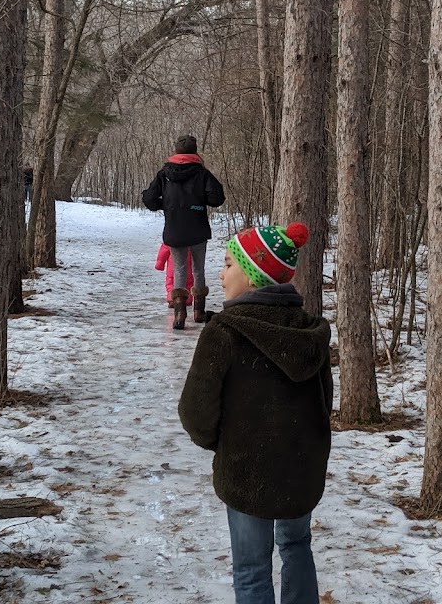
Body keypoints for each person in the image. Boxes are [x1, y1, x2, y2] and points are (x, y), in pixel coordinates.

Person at [178, 222, 332, 604]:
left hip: (246, 473)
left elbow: (196, 413)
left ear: (252, 276)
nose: (220, 273)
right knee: (297, 546)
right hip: (301, 470)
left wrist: (223, 444)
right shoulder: (310, 331)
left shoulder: (224, 332)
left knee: (250, 569)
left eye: (228, 264)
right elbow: (323, 400)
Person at [141, 134, 225, 329]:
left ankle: (180, 315)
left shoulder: (165, 173)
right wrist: (198, 202)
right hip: (198, 228)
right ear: (195, 152)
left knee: (179, 269)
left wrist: (168, 205)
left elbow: (150, 199)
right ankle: (199, 311)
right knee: (198, 269)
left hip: (174, 229)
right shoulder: (202, 173)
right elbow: (216, 198)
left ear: (176, 151)